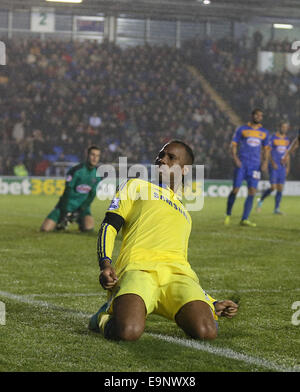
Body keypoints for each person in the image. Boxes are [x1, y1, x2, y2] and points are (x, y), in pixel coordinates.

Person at [89, 140, 238, 341]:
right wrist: (105, 263)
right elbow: (110, 224)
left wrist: (211, 302)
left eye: (171, 157)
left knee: (207, 332)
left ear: (184, 170)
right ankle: (103, 317)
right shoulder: (135, 185)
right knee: (127, 331)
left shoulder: (185, 213)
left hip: (178, 277)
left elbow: (181, 261)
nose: (161, 159)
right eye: (160, 155)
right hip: (138, 270)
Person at [224, 109, 270, 227]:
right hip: (242, 164)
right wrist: (235, 158)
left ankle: (244, 219)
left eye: (261, 115)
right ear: (252, 115)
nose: (259, 117)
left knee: (252, 191)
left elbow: (266, 149)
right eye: (257, 115)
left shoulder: (264, 132)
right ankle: (228, 214)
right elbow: (234, 144)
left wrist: (265, 162)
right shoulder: (242, 129)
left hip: (255, 166)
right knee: (236, 189)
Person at [40, 145, 101, 232]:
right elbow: (67, 191)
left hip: (81, 208)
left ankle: (79, 222)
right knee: (45, 229)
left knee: (89, 229)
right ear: (87, 155)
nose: (95, 158)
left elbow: (91, 195)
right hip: (65, 206)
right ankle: (61, 221)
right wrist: (66, 210)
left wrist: (81, 209)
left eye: (97, 156)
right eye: (92, 155)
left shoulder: (97, 175)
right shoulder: (76, 170)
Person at [256, 121, 290, 214]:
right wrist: (272, 162)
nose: (285, 129)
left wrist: (288, 167)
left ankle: (276, 209)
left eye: (286, 127)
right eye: (283, 127)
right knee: (273, 187)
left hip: (282, 167)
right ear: (279, 127)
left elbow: (288, 154)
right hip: (274, 166)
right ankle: (260, 200)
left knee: (280, 188)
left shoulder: (287, 140)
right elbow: (268, 151)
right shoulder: (273, 138)